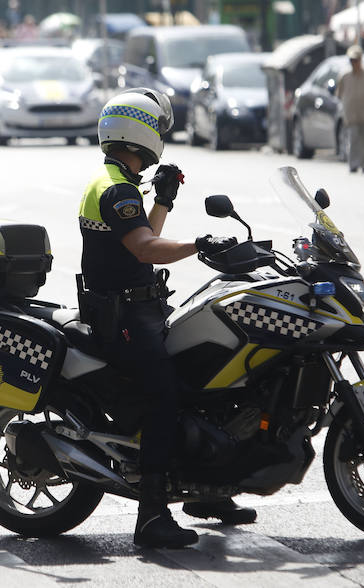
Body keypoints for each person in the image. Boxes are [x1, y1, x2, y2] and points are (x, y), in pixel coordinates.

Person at [77, 88, 256, 549]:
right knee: (165, 395)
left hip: (139, 307)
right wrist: (200, 244)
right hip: (122, 317)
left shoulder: (119, 182)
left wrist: (164, 198)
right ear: (141, 132)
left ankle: (210, 491)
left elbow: (143, 234)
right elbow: (145, 248)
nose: (161, 138)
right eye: (158, 129)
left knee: (203, 377)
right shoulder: (113, 188)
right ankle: (151, 515)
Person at [336, 45, 364, 173]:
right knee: (353, 140)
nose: (354, 63)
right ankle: (353, 164)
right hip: (352, 116)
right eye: (352, 61)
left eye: (356, 60)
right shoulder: (344, 76)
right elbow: (339, 94)